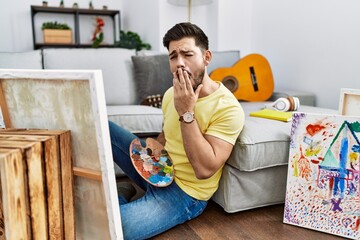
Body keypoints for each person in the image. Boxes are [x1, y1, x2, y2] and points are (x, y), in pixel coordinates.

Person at [109, 22, 245, 239]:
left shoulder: (228, 108)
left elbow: (204, 170)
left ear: (206, 57)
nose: (179, 63)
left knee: (114, 228)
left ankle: (120, 194)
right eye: (173, 56)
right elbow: (168, 133)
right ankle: (122, 194)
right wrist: (156, 143)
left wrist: (186, 112)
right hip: (158, 169)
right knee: (104, 128)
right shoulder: (171, 93)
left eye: (187, 54)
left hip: (185, 193)